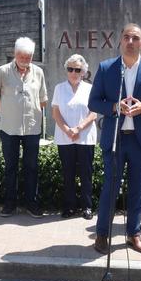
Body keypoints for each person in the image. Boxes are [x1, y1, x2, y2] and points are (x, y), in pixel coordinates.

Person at [88, 23, 141, 254]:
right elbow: (93, 102)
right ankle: (102, 234)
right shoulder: (107, 68)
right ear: (120, 41)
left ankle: (134, 234)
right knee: (109, 189)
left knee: (136, 189)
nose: (130, 41)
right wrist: (114, 106)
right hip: (115, 138)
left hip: (140, 140)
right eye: (126, 37)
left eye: (135, 38)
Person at [0, 37, 48, 218]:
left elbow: (43, 100)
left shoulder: (38, 72)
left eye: (28, 56)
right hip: (9, 128)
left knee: (32, 167)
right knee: (10, 167)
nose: (24, 59)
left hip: (31, 129)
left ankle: (32, 203)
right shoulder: (2, 72)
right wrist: (9, 111)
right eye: (21, 55)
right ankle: (9, 204)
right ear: (15, 54)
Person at [51, 54, 98, 220]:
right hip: (65, 138)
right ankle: (69, 207)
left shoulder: (90, 89)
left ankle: (87, 207)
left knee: (86, 173)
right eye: (70, 69)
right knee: (68, 173)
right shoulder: (59, 88)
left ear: (83, 71)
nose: (73, 72)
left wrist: (78, 128)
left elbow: (93, 113)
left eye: (77, 69)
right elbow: (55, 112)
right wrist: (67, 130)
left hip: (85, 137)